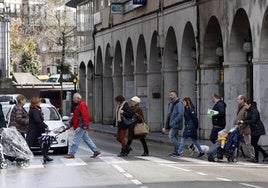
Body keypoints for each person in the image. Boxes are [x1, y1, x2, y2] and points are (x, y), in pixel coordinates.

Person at [65, 93, 101, 159]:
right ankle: (96, 151)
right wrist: (71, 123)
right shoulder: (80, 105)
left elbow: (85, 115)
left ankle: (71, 153)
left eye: (74, 98)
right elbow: (77, 116)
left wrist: (85, 124)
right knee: (86, 139)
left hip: (80, 125)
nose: (73, 100)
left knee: (76, 140)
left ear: (78, 98)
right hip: (81, 125)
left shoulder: (81, 105)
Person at [26, 97, 53, 163]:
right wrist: (45, 126)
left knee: (42, 143)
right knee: (29, 144)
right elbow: (37, 120)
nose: (40, 103)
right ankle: (25, 157)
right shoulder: (34, 110)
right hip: (34, 130)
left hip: (36, 130)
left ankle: (45, 156)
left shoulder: (34, 109)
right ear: (36, 103)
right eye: (39, 101)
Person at [163, 90, 184, 157]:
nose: (170, 96)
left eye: (172, 95)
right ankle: (176, 152)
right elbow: (169, 114)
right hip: (172, 123)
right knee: (175, 137)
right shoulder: (172, 103)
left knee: (171, 136)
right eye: (170, 95)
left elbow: (180, 114)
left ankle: (178, 150)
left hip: (175, 123)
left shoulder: (179, 103)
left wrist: (174, 121)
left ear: (175, 95)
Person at [233, 95, 255, 159]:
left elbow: (246, 119)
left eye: (238, 99)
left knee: (248, 143)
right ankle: (237, 154)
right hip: (239, 127)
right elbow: (239, 116)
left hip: (245, 128)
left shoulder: (245, 107)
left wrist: (241, 125)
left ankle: (253, 155)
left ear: (242, 100)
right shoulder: (240, 107)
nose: (237, 100)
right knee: (236, 141)